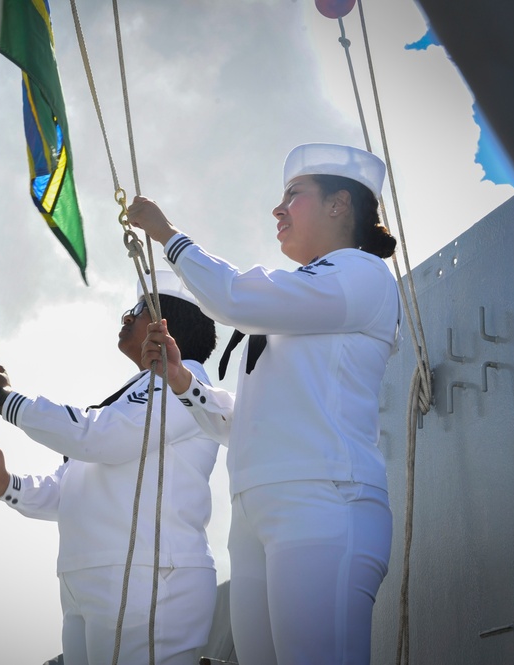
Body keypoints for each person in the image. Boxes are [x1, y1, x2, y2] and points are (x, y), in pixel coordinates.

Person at [127, 142, 400, 664]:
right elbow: (247, 422)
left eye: (294, 195)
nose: (278, 209)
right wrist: (184, 381)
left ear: (340, 204)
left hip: (323, 499)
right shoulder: (306, 291)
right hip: (257, 509)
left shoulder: (358, 274)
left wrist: (168, 236)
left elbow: (233, 297)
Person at [0, 271, 220, 665]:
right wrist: (3, 484)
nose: (126, 319)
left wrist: (4, 400)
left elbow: (98, 438)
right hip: (98, 579)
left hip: (147, 578)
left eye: (136, 311)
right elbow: (70, 488)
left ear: (166, 326)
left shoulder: (184, 382)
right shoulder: (133, 393)